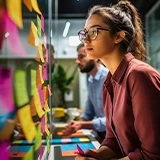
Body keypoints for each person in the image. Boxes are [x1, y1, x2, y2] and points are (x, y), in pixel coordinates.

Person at [75, 0, 160, 160]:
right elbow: (113, 139)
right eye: (85, 33)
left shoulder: (139, 75)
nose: (86, 40)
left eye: (94, 32)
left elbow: (152, 155)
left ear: (118, 36)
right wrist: (97, 155)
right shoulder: (110, 81)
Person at [63, 43, 108, 140]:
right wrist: (75, 124)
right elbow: (88, 113)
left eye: (81, 57)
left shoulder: (109, 79)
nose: (77, 61)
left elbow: (113, 121)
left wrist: (82, 124)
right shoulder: (91, 81)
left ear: (95, 57)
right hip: (103, 136)